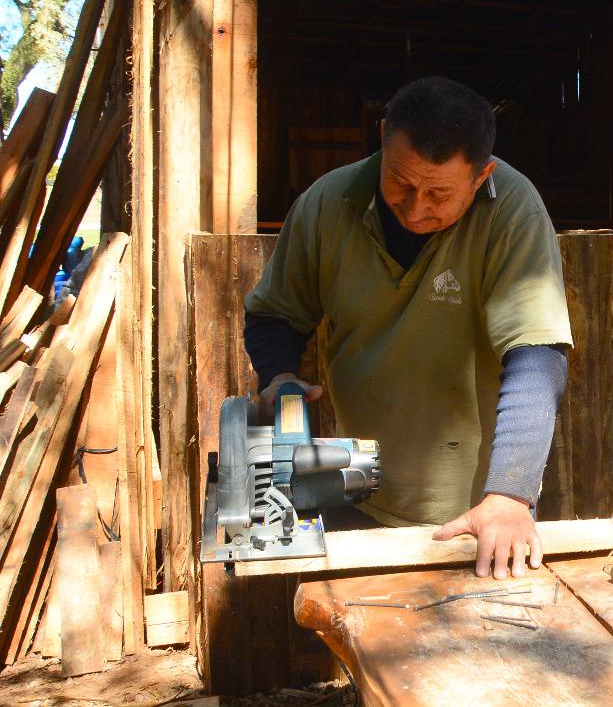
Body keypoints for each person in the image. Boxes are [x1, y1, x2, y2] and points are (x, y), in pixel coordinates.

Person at [243, 76, 573, 580]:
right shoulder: (327, 203)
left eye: (439, 193)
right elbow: (276, 314)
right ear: (382, 137)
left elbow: (536, 355)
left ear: (482, 175)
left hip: (479, 512)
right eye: (400, 181)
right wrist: (279, 376)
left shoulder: (514, 210)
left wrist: (509, 494)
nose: (416, 208)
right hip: (359, 492)